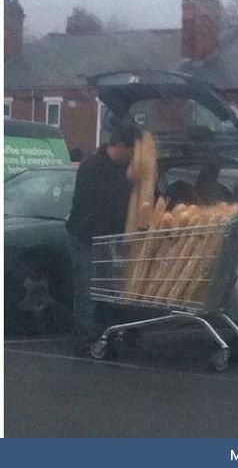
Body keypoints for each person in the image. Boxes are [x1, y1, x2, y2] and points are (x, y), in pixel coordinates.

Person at [66, 125, 136, 354]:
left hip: (108, 238)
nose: (133, 156)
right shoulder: (92, 167)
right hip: (86, 236)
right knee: (86, 286)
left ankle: (107, 331)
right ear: (120, 146)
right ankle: (86, 337)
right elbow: (99, 205)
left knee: (107, 288)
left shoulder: (122, 168)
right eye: (131, 151)